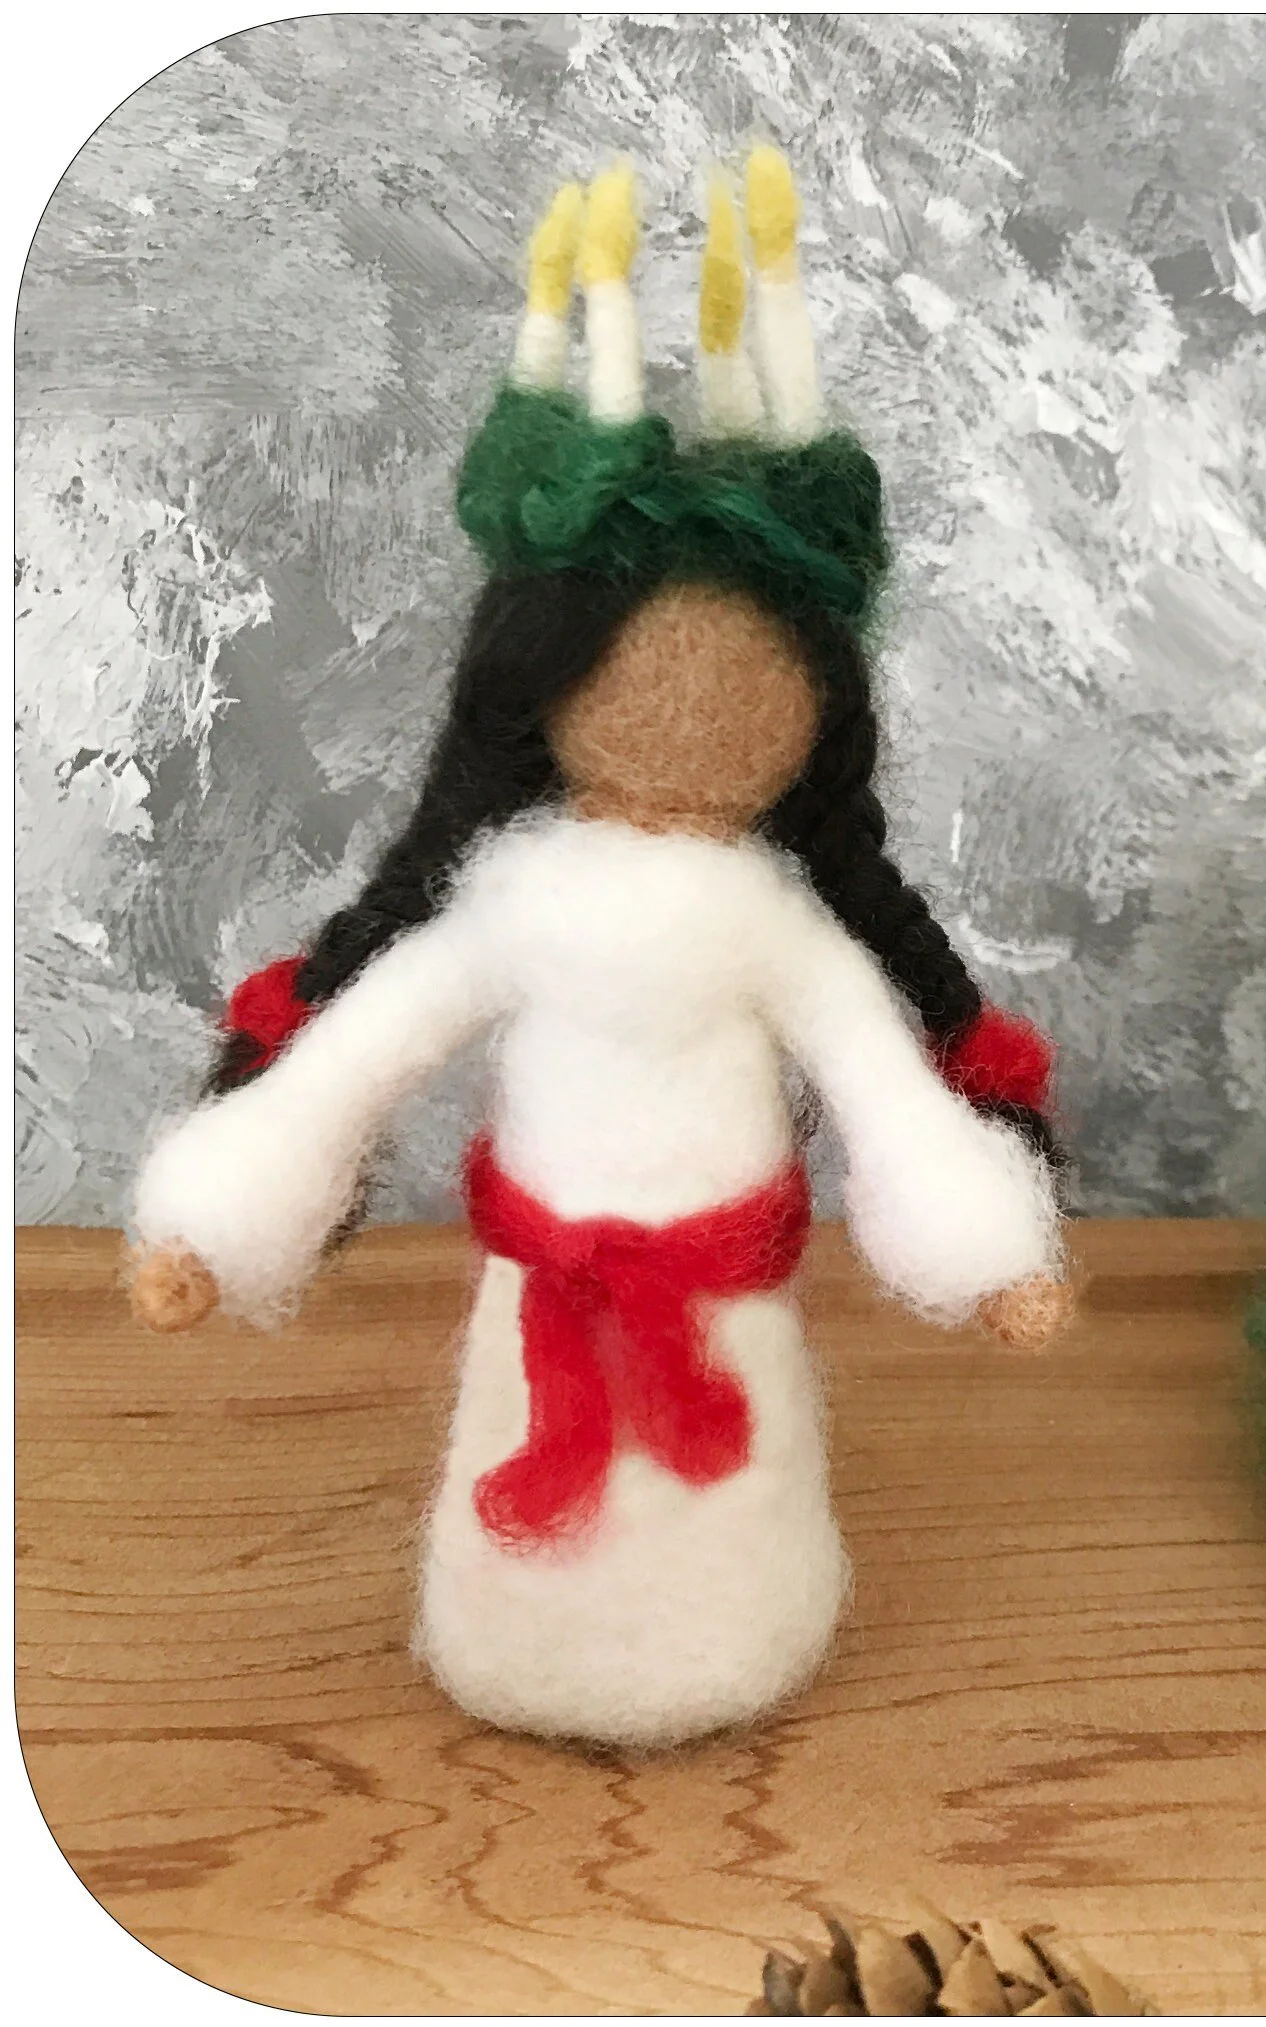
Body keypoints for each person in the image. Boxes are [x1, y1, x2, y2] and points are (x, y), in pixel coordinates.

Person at [127, 153, 1073, 1748]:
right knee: (546, 1455)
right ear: (541, 683)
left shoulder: (772, 921)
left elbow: (889, 1089)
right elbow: (356, 1053)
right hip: (548, 1284)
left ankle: (728, 1627)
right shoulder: (518, 898)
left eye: (748, 676)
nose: (696, 705)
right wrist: (221, 1216)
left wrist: (990, 1253)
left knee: (723, 1474)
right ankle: (533, 1638)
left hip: (719, 1288)